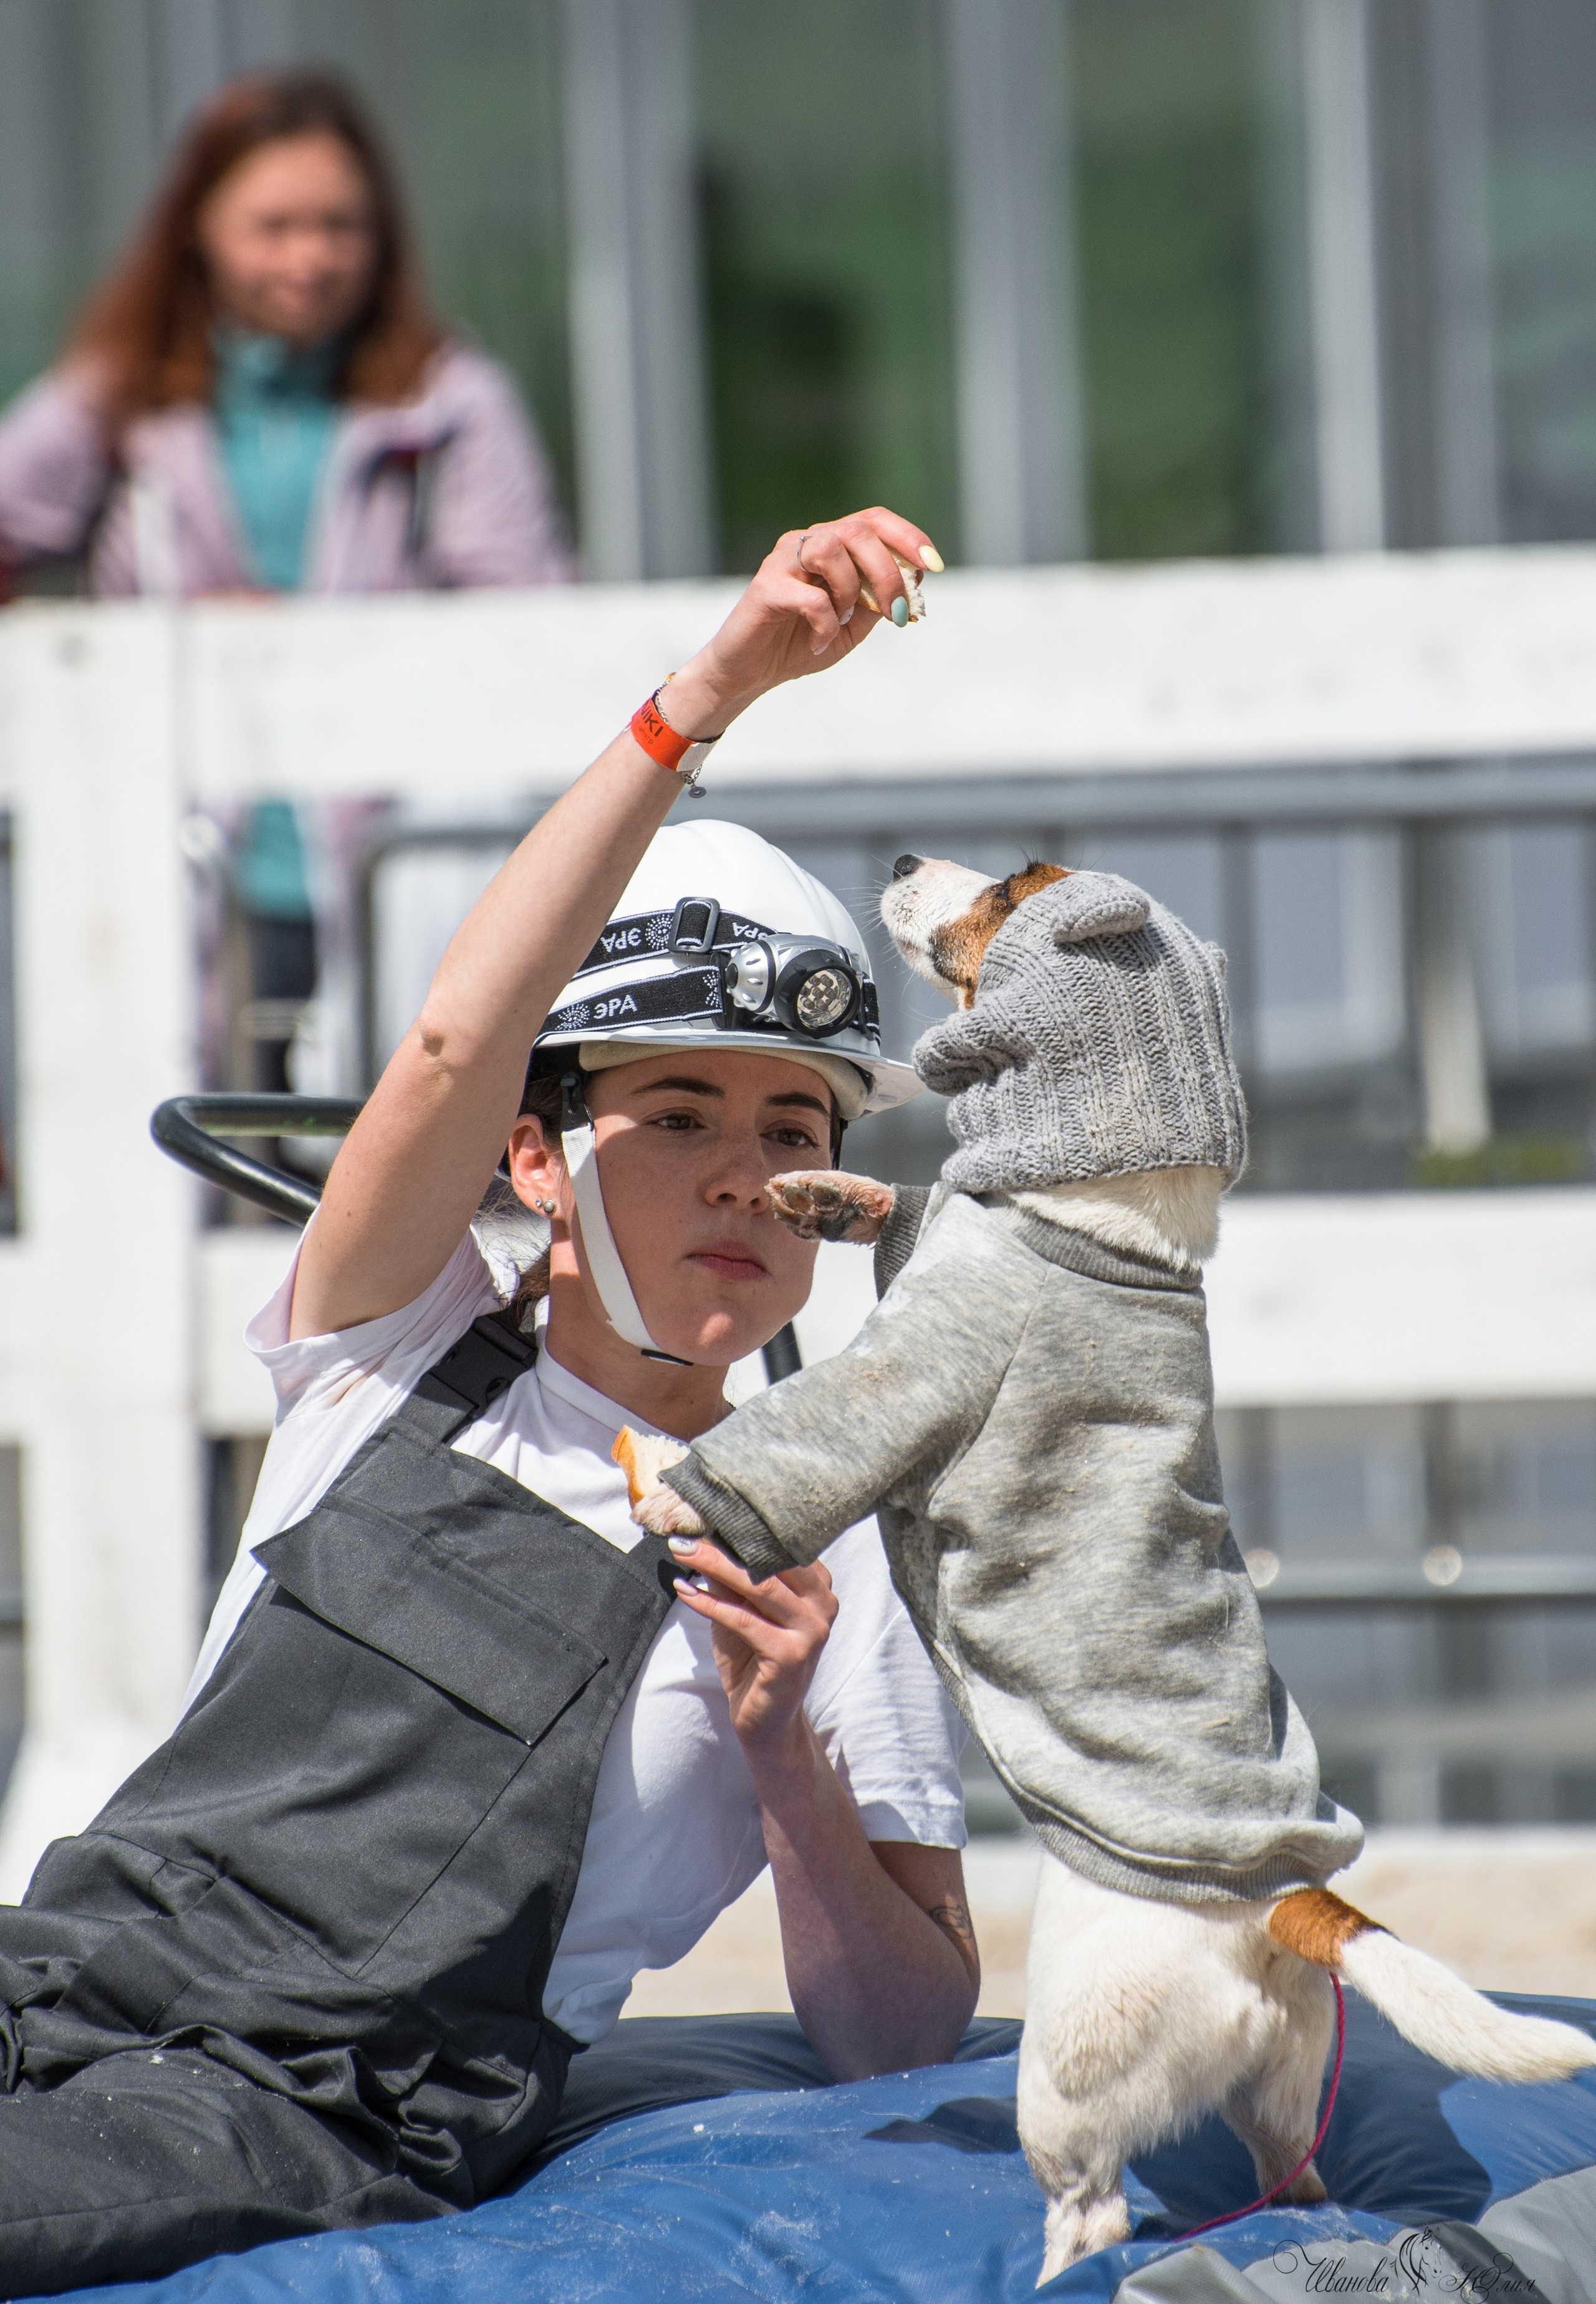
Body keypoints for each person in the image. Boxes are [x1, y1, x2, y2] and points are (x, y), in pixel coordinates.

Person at [0, 507, 969, 2293]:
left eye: (794, 1130)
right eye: (677, 1116)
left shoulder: (842, 1575)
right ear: (533, 1157)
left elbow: (904, 2037)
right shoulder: (380, 1349)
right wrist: (712, 693)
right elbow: (458, 1034)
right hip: (55, 1969)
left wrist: (787, 1758)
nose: (745, 1180)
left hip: (306, 2111)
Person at [0, 66, 574, 1103]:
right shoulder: (117, 402)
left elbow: (524, 624)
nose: (309, 258)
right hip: (178, 863)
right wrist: (123, 638)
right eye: (273, 226)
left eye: (339, 226)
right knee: (178, 1166)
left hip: (401, 861)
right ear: (197, 230)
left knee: (384, 1161)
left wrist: (324, 647)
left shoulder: (450, 398)